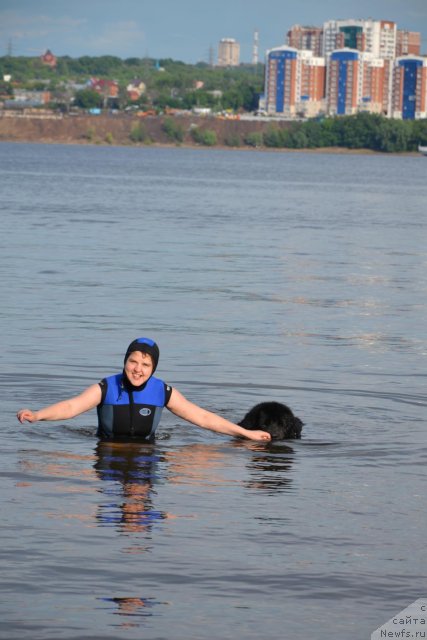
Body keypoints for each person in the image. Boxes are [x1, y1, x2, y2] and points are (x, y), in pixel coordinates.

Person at [17, 337, 271, 442]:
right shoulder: (106, 387)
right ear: (125, 362)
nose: (138, 369)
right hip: (107, 451)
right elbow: (72, 407)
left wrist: (246, 434)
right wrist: (37, 415)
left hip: (147, 454)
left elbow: (203, 418)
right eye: (133, 362)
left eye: (145, 364)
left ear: (153, 368)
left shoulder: (163, 391)